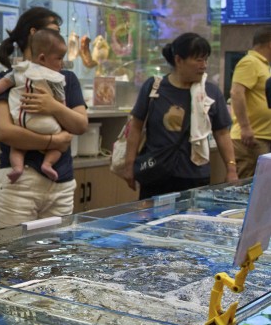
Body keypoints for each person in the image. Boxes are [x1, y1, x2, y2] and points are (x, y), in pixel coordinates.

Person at [0, 7, 87, 230]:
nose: (60, 37)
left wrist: (52, 106)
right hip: (19, 184)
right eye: (55, 31)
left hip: (61, 183)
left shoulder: (66, 78)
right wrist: (55, 141)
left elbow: (80, 124)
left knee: (55, 256)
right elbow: (5, 132)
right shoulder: (7, 78)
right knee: (12, 257)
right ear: (34, 34)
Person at [116, 33, 237, 199]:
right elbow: (136, 126)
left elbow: (222, 133)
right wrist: (129, 164)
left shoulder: (210, 92)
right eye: (198, 60)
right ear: (179, 60)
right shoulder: (154, 87)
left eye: (206, 60)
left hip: (194, 174)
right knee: (151, 223)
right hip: (155, 173)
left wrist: (231, 169)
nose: (204, 66)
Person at [0, 28, 67, 182]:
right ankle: (47, 164)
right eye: (59, 58)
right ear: (42, 58)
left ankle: (18, 167)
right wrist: (62, 115)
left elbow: (4, 82)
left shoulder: (20, 70)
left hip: (21, 122)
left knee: (17, 147)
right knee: (59, 147)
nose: (62, 63)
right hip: (48, 126)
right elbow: (62, 105)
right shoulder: (55, 78)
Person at [228, 26, 271, 178]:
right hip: (250, 139)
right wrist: (245, 127)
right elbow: (236, 93)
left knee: (263, 187)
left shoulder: (264, 66)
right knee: (247, 187)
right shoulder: (250, 62)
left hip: (262, 137)